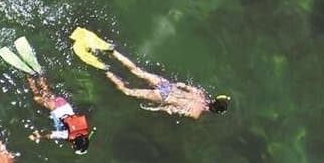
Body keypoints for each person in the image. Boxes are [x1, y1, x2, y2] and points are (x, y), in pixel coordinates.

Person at [101, 50, 230, 119]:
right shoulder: (195, 114)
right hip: (163, 96)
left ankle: (113, 51)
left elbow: (184, 85)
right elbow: (174, 109)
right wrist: (156, 109)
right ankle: (105, 70)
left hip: (167, 85)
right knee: (127, 91)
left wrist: (176, 84)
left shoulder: (200, 94)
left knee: (137, 70)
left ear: (214, 100)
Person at [23, 75, 91, 153]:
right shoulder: (66, 135)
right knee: (36, 98)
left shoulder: (83, 130)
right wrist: (39, 137)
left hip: (64, 104)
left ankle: (40, 76)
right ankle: (29, 78)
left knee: (46, 92)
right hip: (55, 109)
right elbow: (51, 134)